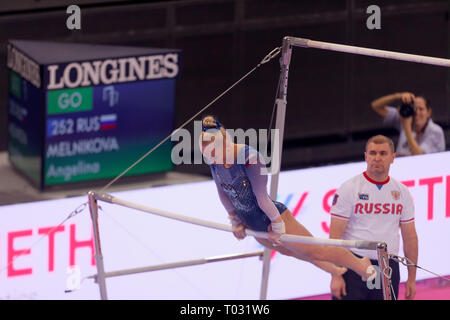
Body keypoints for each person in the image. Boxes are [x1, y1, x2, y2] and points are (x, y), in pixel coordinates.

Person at [199, 115, 374, 280]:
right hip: (253, 224)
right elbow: (222, 192)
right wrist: (235, 220)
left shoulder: (249, 158)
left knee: (317, 250)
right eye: (208, 157)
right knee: (295, 252)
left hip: (271, 216)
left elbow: (261, 196)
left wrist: (277, 224)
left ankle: (361, 265)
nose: (212, 162)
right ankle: (333, 270)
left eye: (214, 156)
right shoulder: (214, 159)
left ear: (226, 146)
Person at [329, 135, 419, 300]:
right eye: (373, 153)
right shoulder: (349, 188)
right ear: (365, 156)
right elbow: (334, 236)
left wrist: (412, 278)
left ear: (393, 157)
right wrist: (335, 275)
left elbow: (410, 237)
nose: (377, 158)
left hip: (387, 267)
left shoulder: (402, 192)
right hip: (353, 264)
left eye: (383, 153)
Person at [371, 92, 445, 156]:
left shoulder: (436, 131)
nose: (417, 113)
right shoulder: (406, 117)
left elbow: (420, 157)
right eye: (414, 109)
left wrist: (406, 126)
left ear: (429, 112)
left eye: (421, 109)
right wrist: (399, 96)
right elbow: (376, 106)